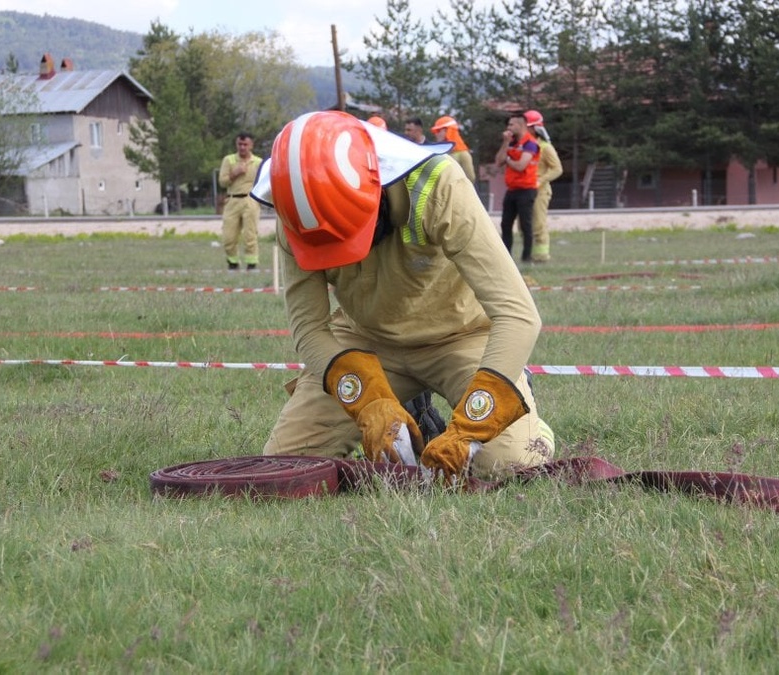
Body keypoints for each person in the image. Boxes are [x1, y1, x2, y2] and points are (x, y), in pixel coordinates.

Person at [252, 110, 556, 481]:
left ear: (375, 191)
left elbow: (518, 314)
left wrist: (471, 428)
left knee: (511, 465)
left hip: (462, 337)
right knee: (285, 461)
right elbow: (309, 328)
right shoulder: (295, 207)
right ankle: (406, 405)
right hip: (365, 342)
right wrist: (369, 400)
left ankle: (525, 413)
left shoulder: (438, 184)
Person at [493, 112, 541, 263]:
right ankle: (506, 257)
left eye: (512, 124)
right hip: (512, 189)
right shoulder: (511, 143)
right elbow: (498, 161)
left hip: (527, 189)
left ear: (521, 125)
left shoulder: (530, 144)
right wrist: (505, 143)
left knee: (525, 224)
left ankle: (527, 257)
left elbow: (521, 166)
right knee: (505, 224)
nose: (509, 127)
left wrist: (508, 159)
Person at [218, 132, 263, 270]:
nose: (242, 147)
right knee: (229, 236)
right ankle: (233, 262)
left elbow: (263, 183)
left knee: (250, 234)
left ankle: (252, 264)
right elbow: (222, 182)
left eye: (245, 144)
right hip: (233, 200)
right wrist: (234, 173)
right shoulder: (229, 160)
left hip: (250, 200)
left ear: (251, 145)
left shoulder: (258, 162)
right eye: (239, 144)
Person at [525, 110, 564, 263]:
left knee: (538, 225)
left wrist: (540, 180)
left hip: (540, 192)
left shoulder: (545, 147)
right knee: (524, 226)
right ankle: (528, 256)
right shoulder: (524, 147)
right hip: (525, 191)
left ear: (534, 128)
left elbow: (557, 169)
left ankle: (541, 257)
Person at [431, 115, 475, 182]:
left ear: (447, 131)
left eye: (438, 130)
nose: (436, 134)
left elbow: (470, 178)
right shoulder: (438, 152)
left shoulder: (463, 154)